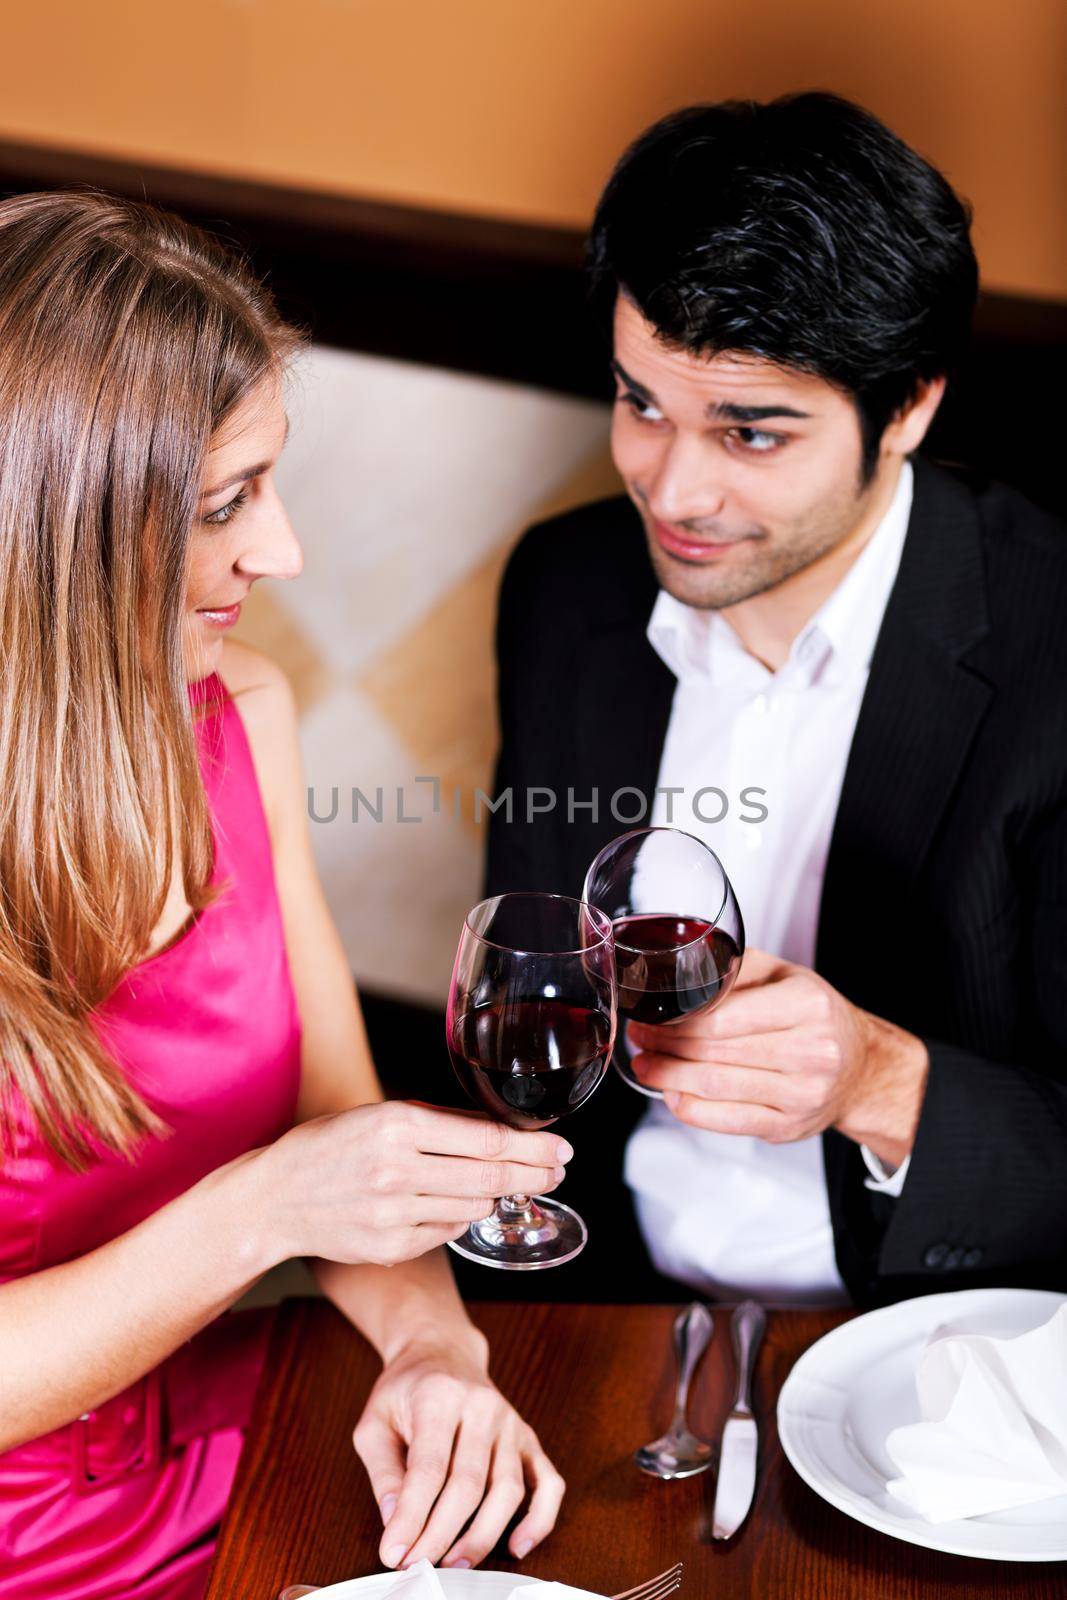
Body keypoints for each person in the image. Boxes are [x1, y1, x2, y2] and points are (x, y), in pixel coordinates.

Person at [0, 191, 569, 1598]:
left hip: (254, 1462)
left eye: (269, 482)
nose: (281, 552)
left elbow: (333, 1125)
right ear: (51, 544)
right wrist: (262, 1214)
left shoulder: (238, 716)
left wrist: (433, 1348)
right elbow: (293, 1190)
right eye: (222, 506)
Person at [482, 92, 1067, 1308]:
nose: (670, 488)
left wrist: (877, 1082)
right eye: (641, 402)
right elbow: (530, 975)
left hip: (926, 1342)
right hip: (598, 1297)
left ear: (907, 405)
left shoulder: (1049, 650)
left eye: (748, 433)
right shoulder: (563, 588)